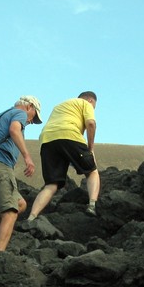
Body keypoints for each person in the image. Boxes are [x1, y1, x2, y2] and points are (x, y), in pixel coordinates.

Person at [0, 95, 42, 253]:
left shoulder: (0, 116)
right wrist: (27, 157)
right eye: (34, 116)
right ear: (29, 107)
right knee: (11, 211)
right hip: (0, 166)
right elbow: (14, 130)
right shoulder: (19, 113)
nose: (31, 121)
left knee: (20, 204)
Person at [26, 91, 100, 220]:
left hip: (47, 140)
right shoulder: (85, 103)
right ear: (91, 101)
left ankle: (31, 217)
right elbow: (91, 124)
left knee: (51, 184)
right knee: (92, 171)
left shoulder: (59, 106)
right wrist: (90, 149)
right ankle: (92, 205)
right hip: (69, 134)